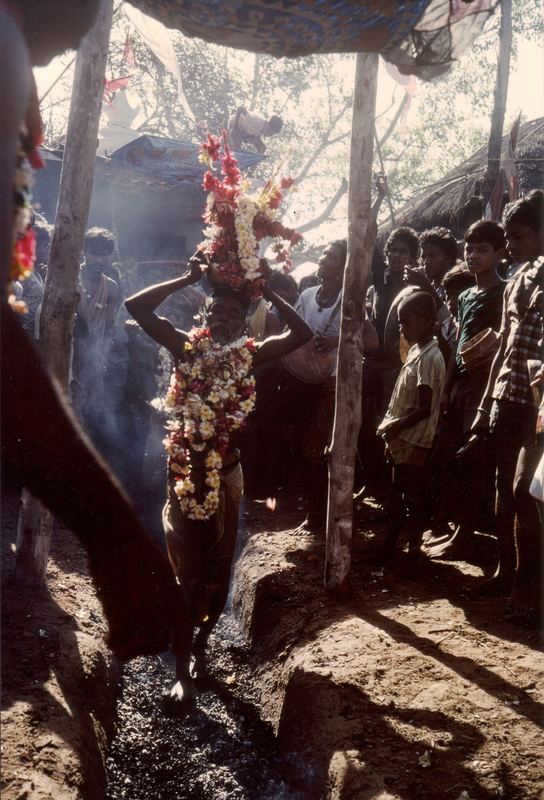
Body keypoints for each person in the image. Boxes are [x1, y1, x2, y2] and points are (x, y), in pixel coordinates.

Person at [125, 254, 312, 706]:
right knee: (184, 572)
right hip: (185, 473)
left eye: (235, 313)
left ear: (245, 321)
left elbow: (302, 334)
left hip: (228, 475)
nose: (226, 318)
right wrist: (187, 278)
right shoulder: (186, 344)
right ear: (205, 314)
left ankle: (202, 645)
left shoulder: (249, 354)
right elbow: (136, 307)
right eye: (219, 311)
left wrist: (268, 294)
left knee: (217, 570)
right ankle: (183, 670)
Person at [470, 191, 544, 616]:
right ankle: (508, 572)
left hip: (539, 405)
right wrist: (486, 404)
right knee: (506, 489)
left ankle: (527, 589)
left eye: (517, 236)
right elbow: (503, 348)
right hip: (507, 396)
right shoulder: (518, 278)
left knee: (525, 491)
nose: (510, 245)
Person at [429, 221, 506, 558]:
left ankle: (467, 536)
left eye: (483, 250)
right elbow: (457, 345)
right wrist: (445, 388)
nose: (474, 256)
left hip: (483, 387)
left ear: (499, 254)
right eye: (469, 250)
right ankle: (458, 530)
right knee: (448, 457)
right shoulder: (465, 296)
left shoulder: (503, 293)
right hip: (459, 385)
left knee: (472, 463)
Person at [377, 291, 445, 573]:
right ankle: (390, 551)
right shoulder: (417, 349)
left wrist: (395, 426)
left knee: (409, 498)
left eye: (406, 323)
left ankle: (412, 555)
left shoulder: (430, 356)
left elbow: (425, 407)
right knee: (397, 497)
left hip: (413, 439)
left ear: (427, 320)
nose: (402, 329)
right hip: (402, 438)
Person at [70, 227, 121, 439]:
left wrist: (102, 355)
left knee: (92, 405)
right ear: (84, 252)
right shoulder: (70, 278)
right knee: (69, 400)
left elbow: (109, 328)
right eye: (95, 253)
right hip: (69, 350)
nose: (100, 259)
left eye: (105, 254)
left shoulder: (111, 288)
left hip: (93, 353)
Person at [419, 226, 459, 300]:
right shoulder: (429, 289)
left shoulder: (456, 290)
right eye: (423, 257)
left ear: (449, 257)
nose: (426, 262)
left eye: (432, 255)